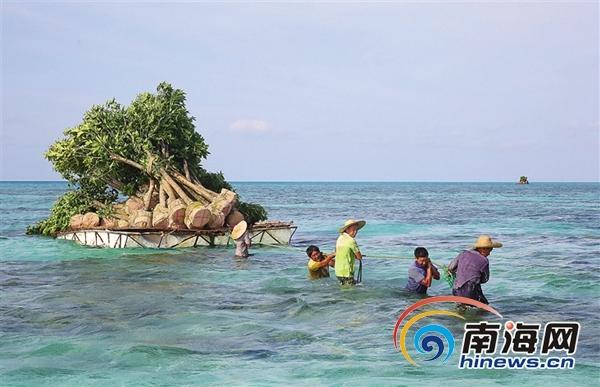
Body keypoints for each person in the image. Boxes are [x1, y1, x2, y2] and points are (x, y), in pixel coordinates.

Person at [447, 235, 503, 304]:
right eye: (490, 250)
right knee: (484, 306)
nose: (489, 253)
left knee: (462, 307)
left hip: (456, 290)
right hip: (470, 291)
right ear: (483, 249)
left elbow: (450, 268)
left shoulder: (463, 253)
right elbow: (485, 279)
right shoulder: (484, 260)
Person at [334, 219, 366, 285]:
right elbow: (359, 257)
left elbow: (338, 252)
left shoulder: (340, 238)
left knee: (345, 288)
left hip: (338, 271)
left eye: (356, 230)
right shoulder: (351, 241)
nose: (355, 232)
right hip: (347, 272)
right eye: (353, 230)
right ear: (347, 230)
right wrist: (358, 256)